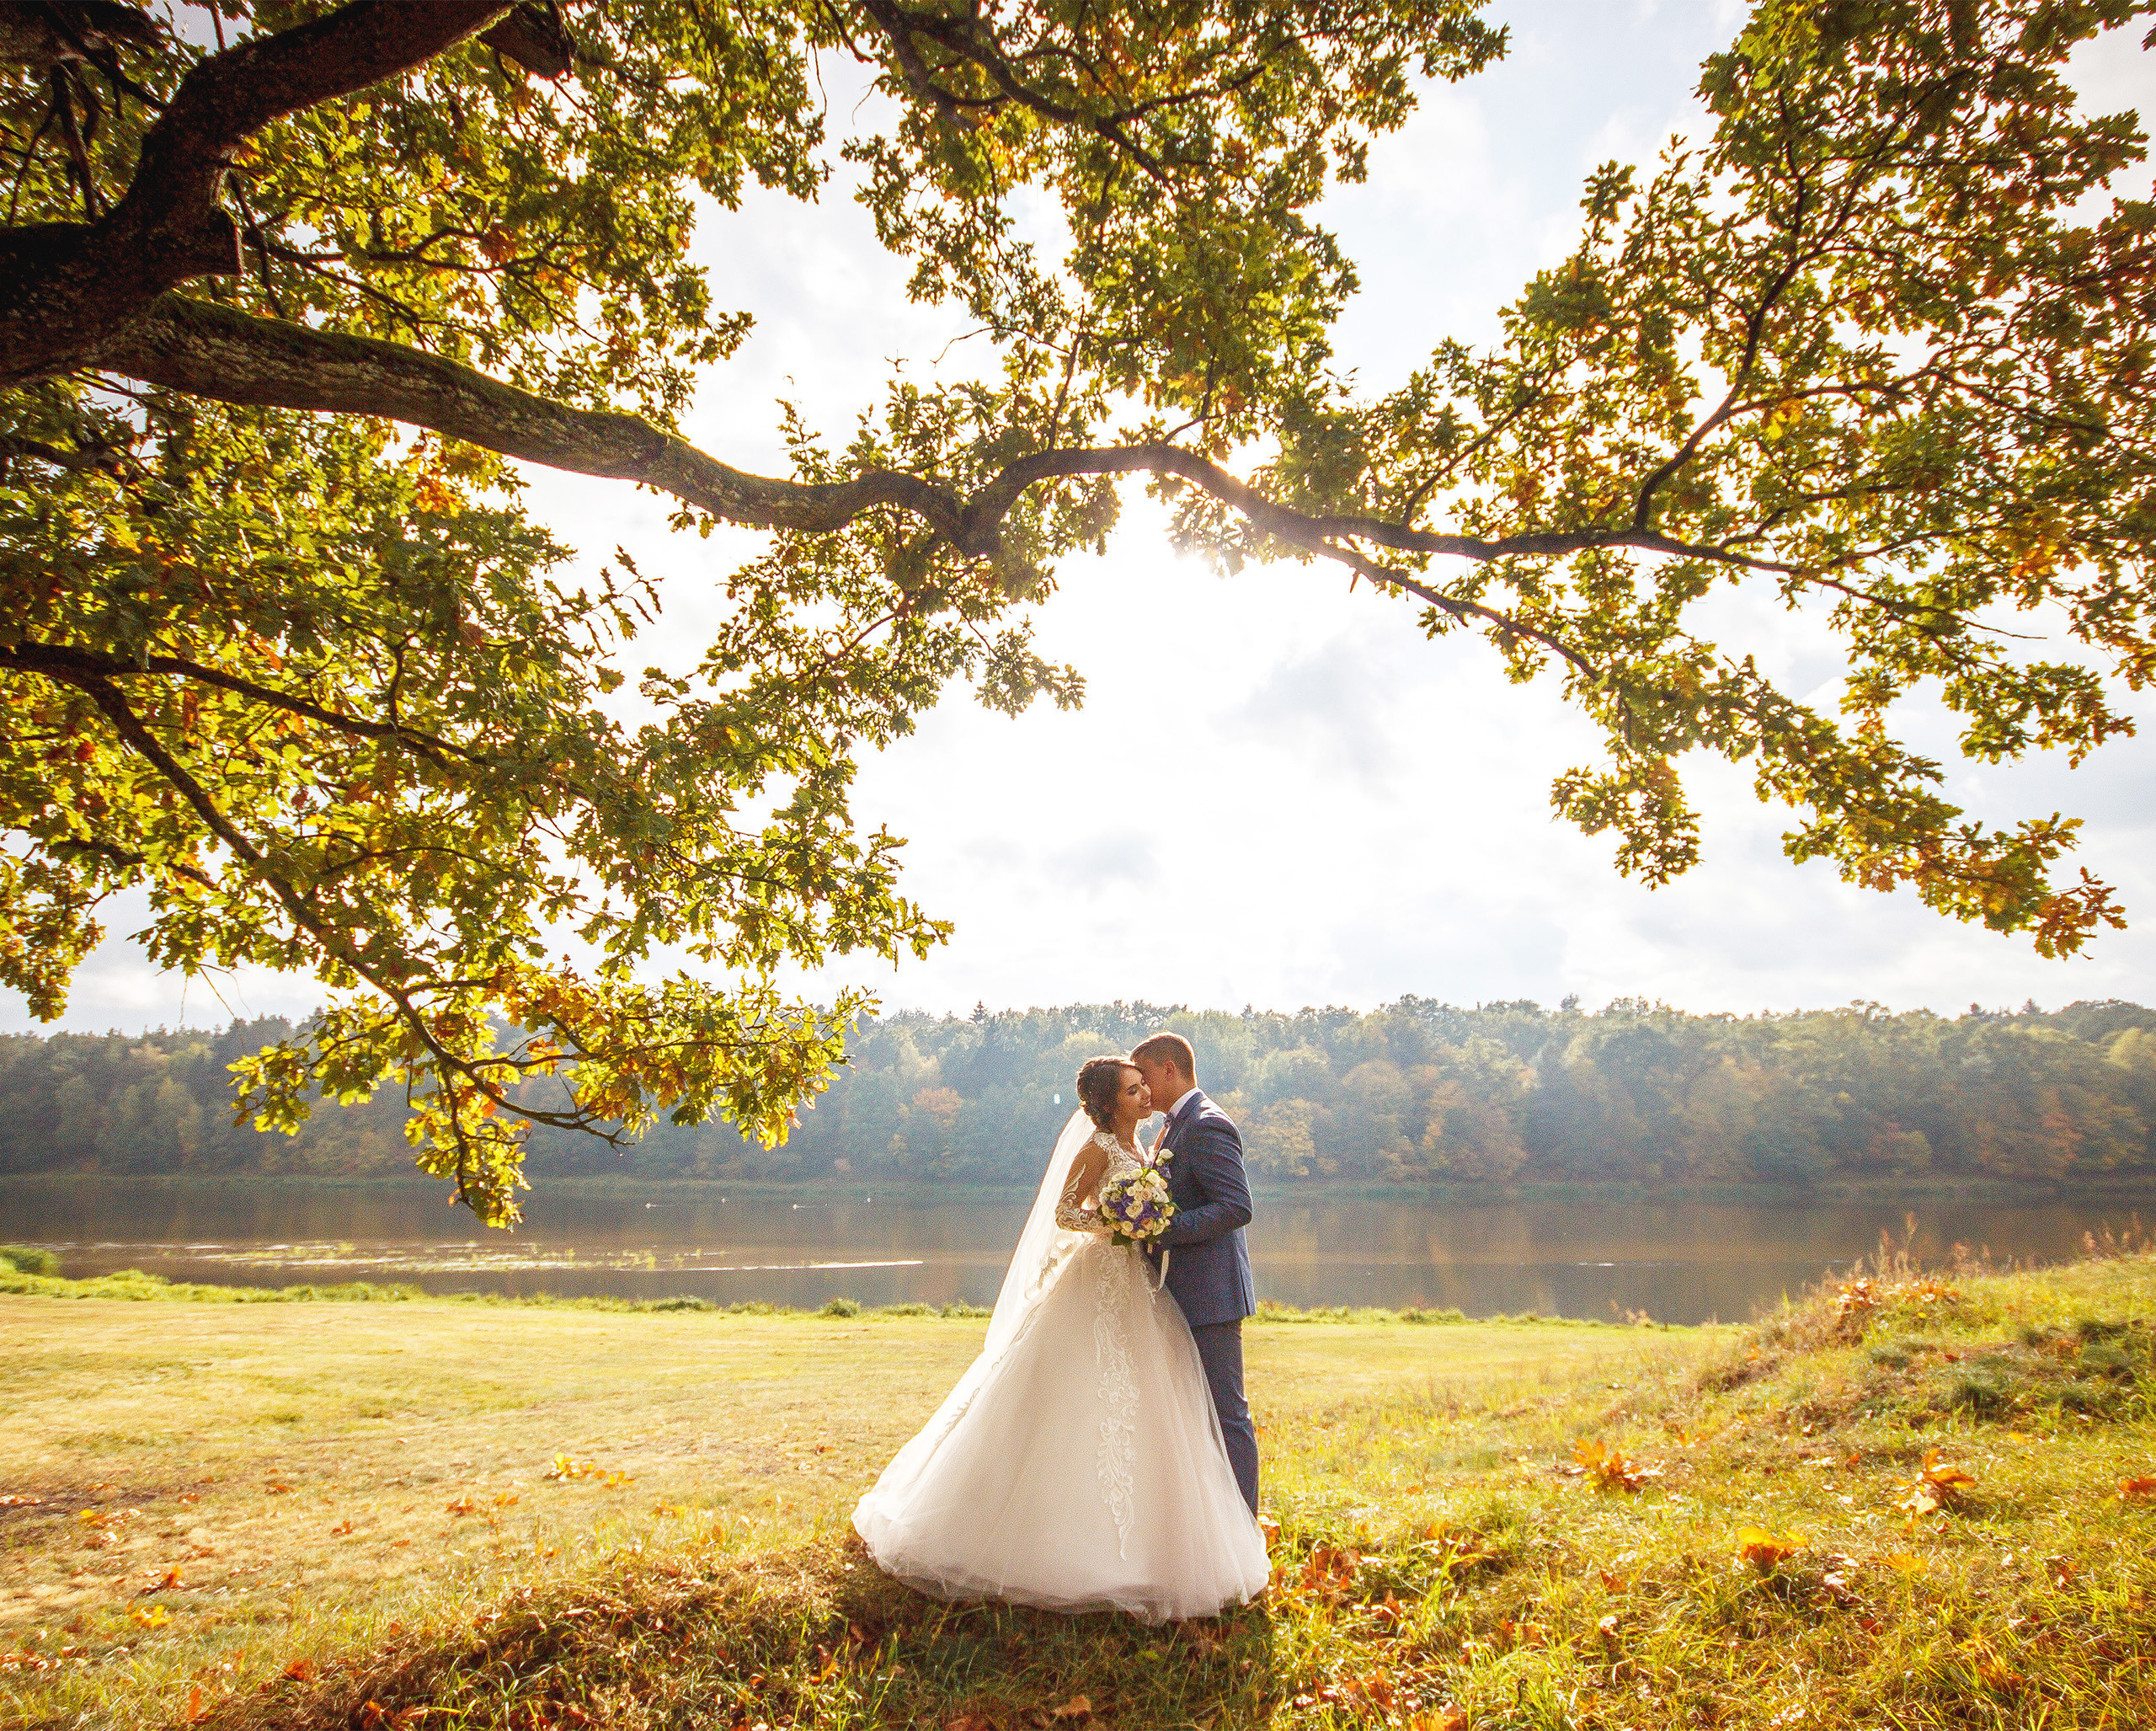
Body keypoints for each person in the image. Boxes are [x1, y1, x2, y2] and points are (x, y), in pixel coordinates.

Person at [851, 1055, 1267, 1622]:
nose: (1143, 1092)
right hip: (1099, 1274)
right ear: (1108, 1102)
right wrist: (1118, 1224)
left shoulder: (1152, 1141)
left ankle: (1162, 1535)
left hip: (1140, 1284)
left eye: (1144, 1082)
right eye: (1131, 1087)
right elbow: (1067, 1211)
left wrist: (1144, 1222)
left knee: (1151, 1403)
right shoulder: (1098, 1145)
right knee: (1077, 1396)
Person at [1129, 1031, 1260, 1515]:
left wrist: (1161, 1230)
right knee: (1193, 1414)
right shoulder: (1173, 1125)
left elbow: (1235, 1206)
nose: (1142, 1089)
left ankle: (1245, 1529)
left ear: (1168, 1069)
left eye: (1145, 1077)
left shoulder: (1206, 1124)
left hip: (1213, 1295)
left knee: (1228, 1416)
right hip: (1183, 1291)